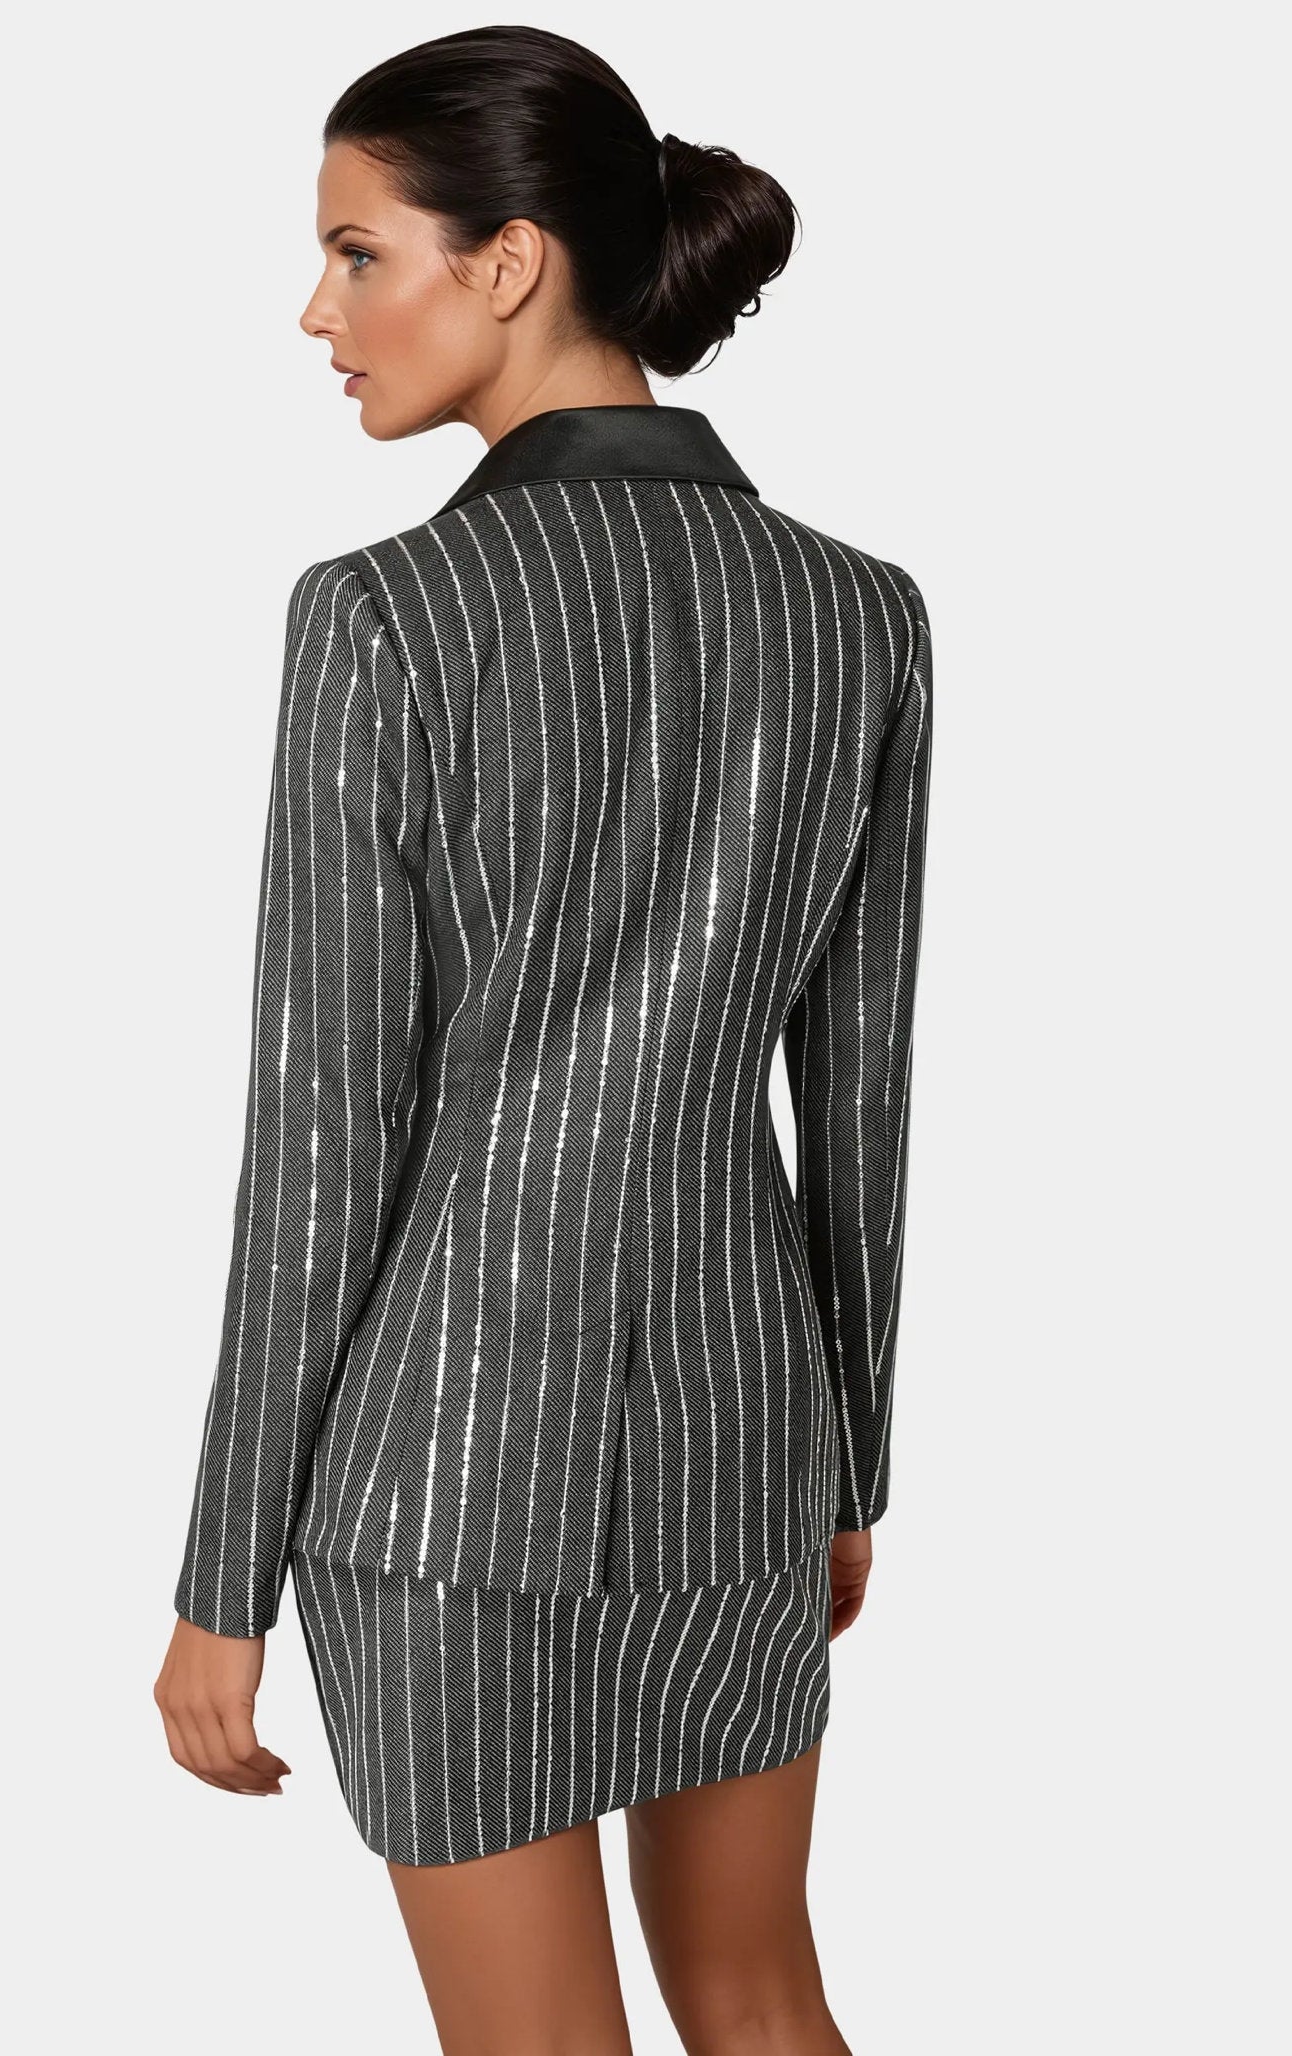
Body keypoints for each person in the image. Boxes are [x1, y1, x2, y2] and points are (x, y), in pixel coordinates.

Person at [153, 25, 933, 2056]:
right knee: (764, 1999)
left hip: (445, 1478)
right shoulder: (861, 614)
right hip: (747, 1445)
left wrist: (222, 1577)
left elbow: (323, 1138)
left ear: (507, 262)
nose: (317, 312)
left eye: (358, 252)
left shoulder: (385, 615)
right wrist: (847, 1460)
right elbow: (860, 1092)